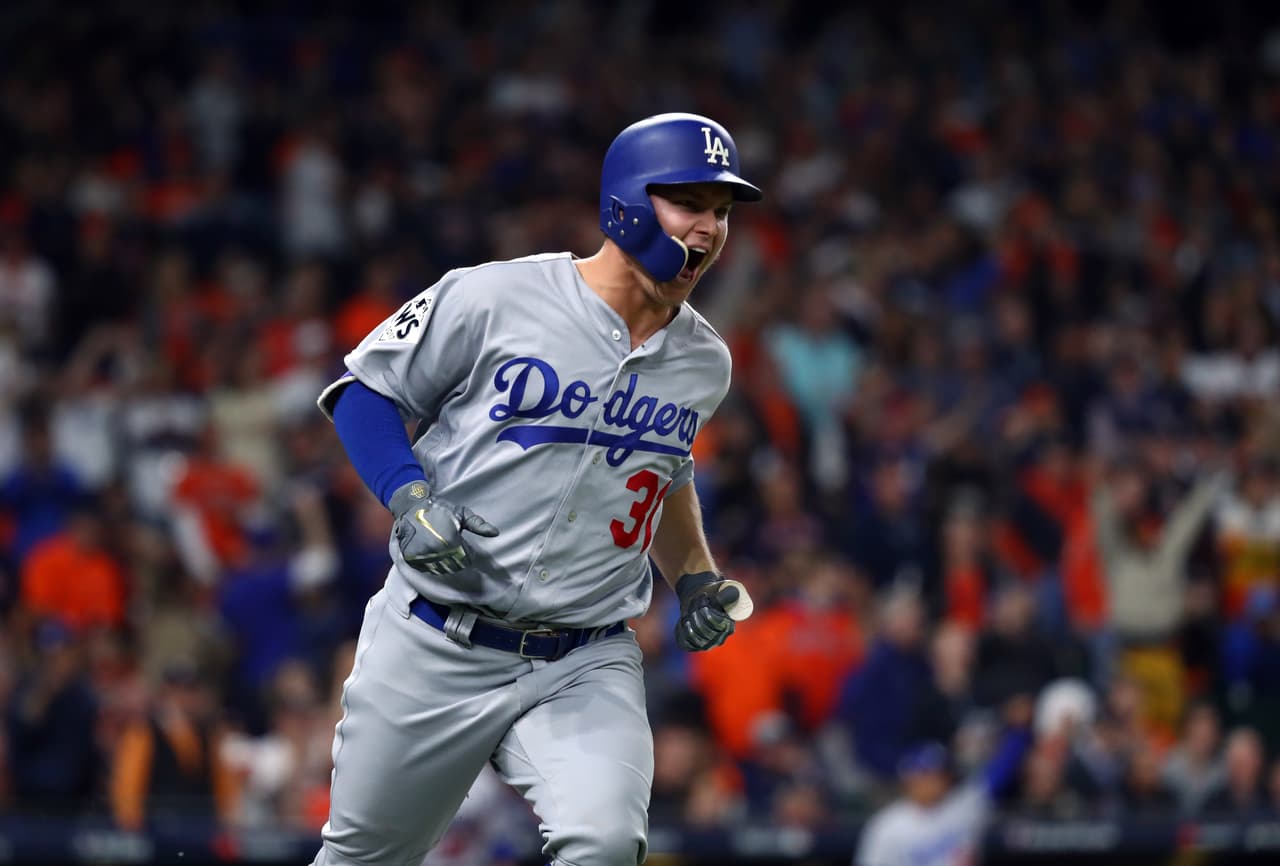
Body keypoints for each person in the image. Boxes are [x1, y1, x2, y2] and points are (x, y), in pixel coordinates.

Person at [310, 113, 762, 866]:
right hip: (435, 639)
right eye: (690, 203)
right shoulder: (497, 297)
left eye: (720, 212)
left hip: (583, 657)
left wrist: (696, 577)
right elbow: (364, 393)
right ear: (627, 202)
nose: (710, 229)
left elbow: (664, 471)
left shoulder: (703, 362)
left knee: (607, 842)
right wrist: (408, 497)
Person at [853, 696, 1033, 866]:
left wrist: (1019, 731)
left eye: (938, 773)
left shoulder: (965, 807)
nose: (933, 781)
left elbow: (1000, 772)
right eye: (925, 774)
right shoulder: (887, 826)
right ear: (909, 779)